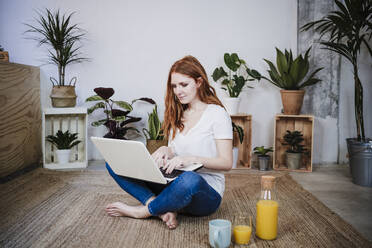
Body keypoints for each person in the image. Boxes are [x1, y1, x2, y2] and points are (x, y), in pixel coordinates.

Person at [105, 55, 233, 229]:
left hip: (203, 193)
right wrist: (166, 150)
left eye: (184, 85)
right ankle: (160, 207)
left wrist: (191, 159)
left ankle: (143, 211)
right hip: (173, 184)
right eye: (174, 86)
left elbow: (226, 163)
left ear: (199, 82)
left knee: (190, 180)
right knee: (114, 162)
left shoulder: (217, 114)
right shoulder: (178, 113)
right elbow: (175, 149)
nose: (178, 91)